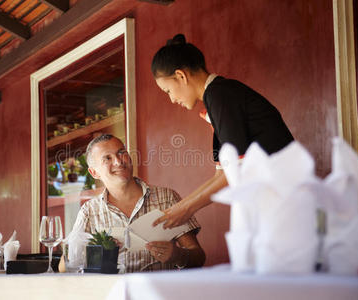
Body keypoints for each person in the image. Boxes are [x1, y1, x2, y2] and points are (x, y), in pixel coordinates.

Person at [152, 34, 294, 229]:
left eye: (167, 90)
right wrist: (177, 209)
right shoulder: (217, 96)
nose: (172, 99)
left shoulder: (220, 96)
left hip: (285, 200)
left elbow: (234, 173)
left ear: (181, 76)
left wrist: (187, 210)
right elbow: (222, 175)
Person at [71, 134, 205, 272]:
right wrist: (96, 255)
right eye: (107, 158)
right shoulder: (89, 211)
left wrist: (178, 255)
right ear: (94, 173)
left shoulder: (167, 197)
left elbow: (199, 257)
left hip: (159, 291)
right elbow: (65, 265)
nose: (118, 161)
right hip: (114, 292)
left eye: (121, 152)